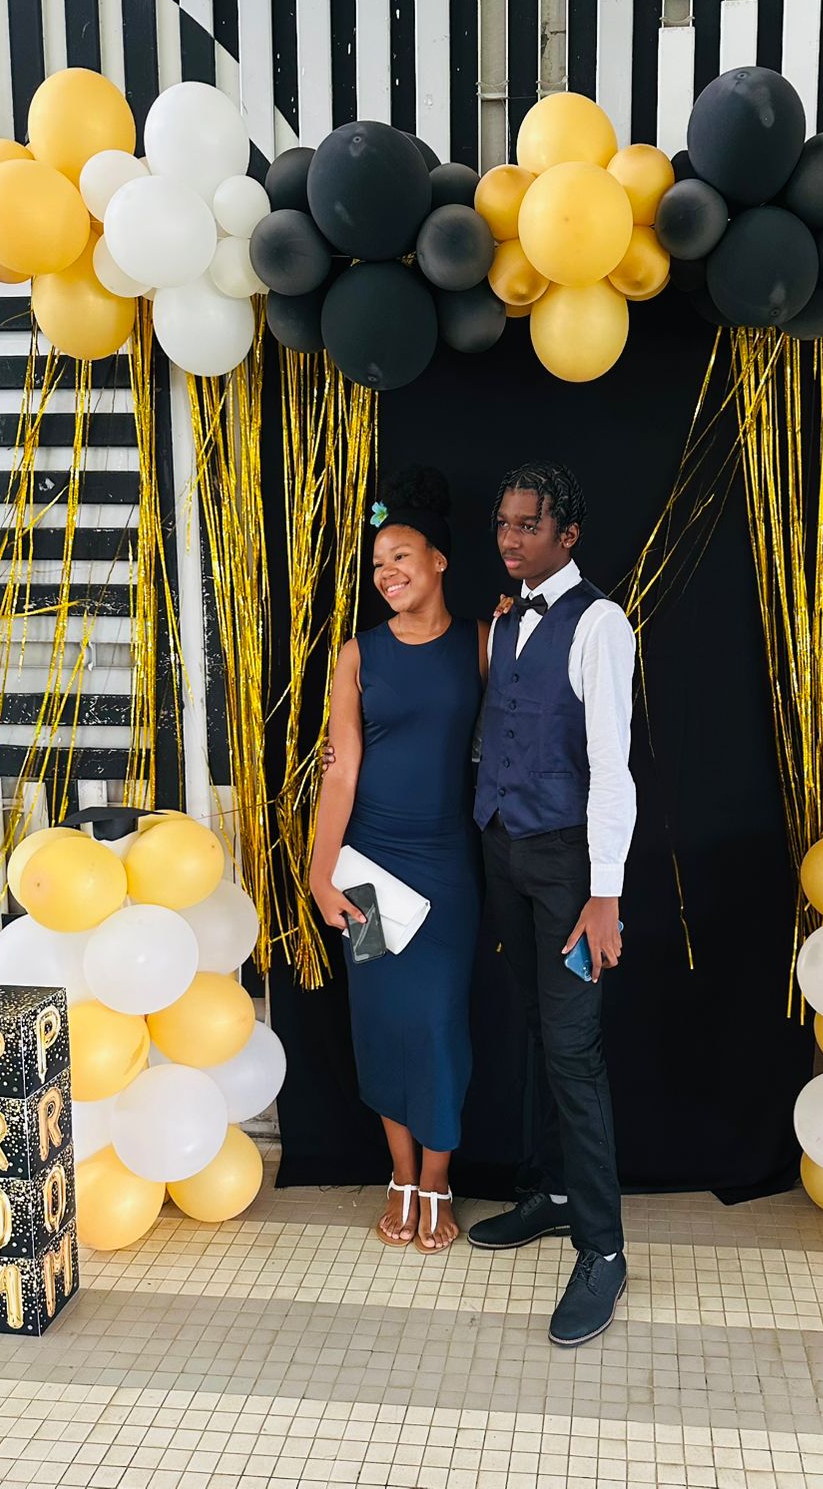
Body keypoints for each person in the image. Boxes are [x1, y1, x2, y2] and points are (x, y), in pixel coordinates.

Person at [469, 460, 636, 1347]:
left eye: (527, 525)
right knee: (535, 1030)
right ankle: (555, 1193)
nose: (509, 538)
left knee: (574, 1052)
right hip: (504, 850)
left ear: (567, 535)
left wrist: (605, 894)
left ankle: (603, 1250)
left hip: (570, 868)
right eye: (503, 523)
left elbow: (612, 767)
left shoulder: (600, 623)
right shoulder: (508, 617)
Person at [309, 466, 487, 1254]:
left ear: (439, 561)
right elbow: (341, 770)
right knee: (382, 1020)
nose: (386, 573)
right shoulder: (358, 654)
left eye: (401, 557)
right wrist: (319, 873)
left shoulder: (482, 643)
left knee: (439, 1024)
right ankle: (401, 1174)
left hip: (447, 867)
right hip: (369, 866)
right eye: (378, 563)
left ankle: (439, 1178)